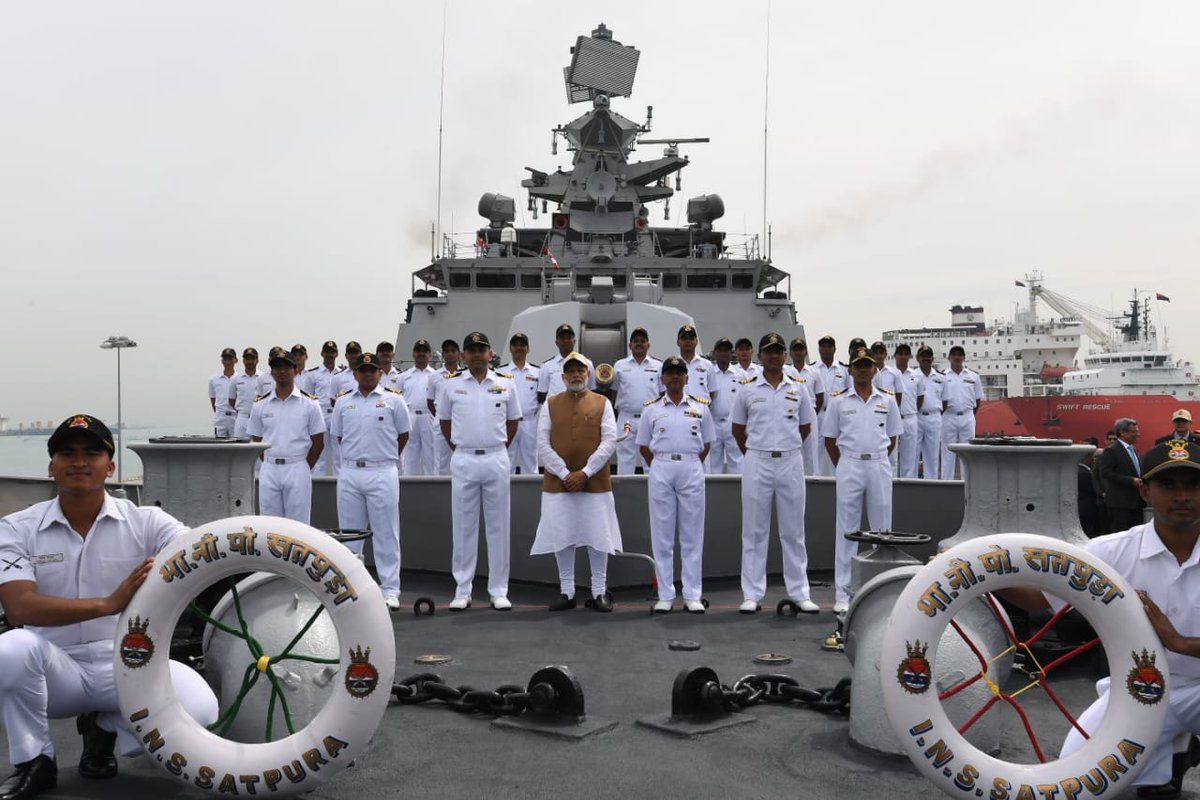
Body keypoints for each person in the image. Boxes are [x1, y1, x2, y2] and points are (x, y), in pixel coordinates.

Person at [0, 415, 218, 800]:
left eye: (92, 453)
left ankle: (103, 724)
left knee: (201, 709)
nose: (79, 462)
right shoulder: (18, 528)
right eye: (67, 453)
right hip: (54, 672)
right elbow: (18, 607)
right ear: (51, 466)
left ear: (111, 465)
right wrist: (107, 604)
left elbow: (199, 551)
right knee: (12, 648)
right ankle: (35, 761)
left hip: (127, 662)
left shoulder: (146, 522)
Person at [1005, 439, 1200, 796]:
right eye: (1168, 485)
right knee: (1073, 780)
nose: (1182, 495)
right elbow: (1044, 599)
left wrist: (1181, 643)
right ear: (1144, 490)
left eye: (1193, 485)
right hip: (1137, 689)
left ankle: (1175, 748)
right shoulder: (1108, 552)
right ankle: (1172, 755)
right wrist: (972, 575)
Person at [731, 332, 819, 614]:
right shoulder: (746, 388)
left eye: (777, 351)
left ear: (785, 355)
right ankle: (752, 594)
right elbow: (737, 429)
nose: (773, 355)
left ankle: (799, 592)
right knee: (754, 531)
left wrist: (783, 448)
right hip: (757, 460)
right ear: (760, 355)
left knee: (793, 531)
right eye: (768, 351)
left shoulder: (799, 389)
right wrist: (757, 452)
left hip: (790, 461)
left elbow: (806, 427)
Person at [531, 352, 622, 612]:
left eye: (580, 370)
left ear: (588, 374)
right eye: (570, 371)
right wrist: (564, 473)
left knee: (598, 536)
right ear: (562, 376)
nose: (575, 375)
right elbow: (542, 443)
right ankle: (567, 591)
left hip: (595, 482)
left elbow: (609, 441)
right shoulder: (550, 404)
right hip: (558, 483)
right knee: (563, 536)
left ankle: (599, 590)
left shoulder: (602, 403)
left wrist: (585, 472)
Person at [437, 332, 522, 611]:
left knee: (499, 526)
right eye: (471, 350)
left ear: (490, 353)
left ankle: (499, 589)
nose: (476, 354)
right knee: (463, 526)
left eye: (481, 349)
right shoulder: (450, 386)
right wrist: (464, 447)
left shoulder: (505, 384)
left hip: (496, 457)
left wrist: (495, 446)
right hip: (464, 458)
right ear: (463, 355)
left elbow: (513, 423)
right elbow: (445, 423)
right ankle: (463, 589)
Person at [823, 347, 902, 613]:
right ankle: (843, 594)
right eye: (858, 365)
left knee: (882, 530)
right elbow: (830, 440)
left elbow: (892, 438)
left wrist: (875, 457)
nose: (863, 370)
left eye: (867, 365)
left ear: (874, 369)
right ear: (850, 370)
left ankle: (880, 591)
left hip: (879, 463)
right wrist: (846, 463)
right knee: (847, 531)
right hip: (850, 464)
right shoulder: (838, 402)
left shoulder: (887, 401)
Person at [331, 351, 410, 611]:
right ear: (355, 373)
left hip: (382, 471)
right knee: (350, 535)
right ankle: (353, 589)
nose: (367, 374)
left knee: (386, 533)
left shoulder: (393, 401)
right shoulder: (343, 403)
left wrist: (382, 457)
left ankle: (390, 589)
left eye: (372, 370)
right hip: (351, 472)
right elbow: (340, 437)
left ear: (379, 373)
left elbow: (403, 435)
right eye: (362, 370)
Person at [638, 356, 714, 613]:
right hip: (661, 466)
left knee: (692, 534)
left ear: (687, 377)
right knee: (662, 535)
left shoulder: (701, 407)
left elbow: (707, 444)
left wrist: (690, 463)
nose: (674, 377)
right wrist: (661, 464)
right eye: (669, 373)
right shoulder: (651, 408)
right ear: (662, 378)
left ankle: (692, 594)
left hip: (691, 467)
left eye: (679, 373)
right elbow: (643, 445)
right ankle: (666, 594)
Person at [249, 347, 325, 523]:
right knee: (269, 525)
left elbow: (318, 442)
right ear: (272, 372)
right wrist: (269, 461)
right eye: (277, 367)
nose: (282, 371)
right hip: (269, 469)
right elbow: (257, 441)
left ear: (296, 370)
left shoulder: (310, 404)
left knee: (299, 526)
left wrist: (303, 466)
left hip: (298, 466)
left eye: (287, 367)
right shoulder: (260, 405)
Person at [609, 327, 663, 474]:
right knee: (625, 460)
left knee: (651, 460)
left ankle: (654, 494)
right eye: (636, 341)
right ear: (630, 345)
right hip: (626, 417)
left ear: (648, 345)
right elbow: (615, 391)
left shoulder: (658, 366)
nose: (639, 344)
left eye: (642, 341)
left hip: (650, 417)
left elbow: (662, 393)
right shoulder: (620, 365)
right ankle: (626, 496)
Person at [499, 333, 541, 475]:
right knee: (506, 462)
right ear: (510, 348)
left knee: (530, 462)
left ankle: (530, 495)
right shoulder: (500, 372)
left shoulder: (537, 372)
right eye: (515, 345)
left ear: (528, 349)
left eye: (522, 345)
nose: (519, 348)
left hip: (529, 422)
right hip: (506, 422)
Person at [784, 338, 826, 477]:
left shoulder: (814, 372)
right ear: (790, 353)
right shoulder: (785, 371)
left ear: (805, 352)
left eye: (800, 349)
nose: (798, 352)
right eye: (795, 349)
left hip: (810, 414)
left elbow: (820, 396)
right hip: (791, 414)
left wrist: (811, 412)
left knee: (812, 451)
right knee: (792, 449)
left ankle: (814, 478)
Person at [939, 344, 982, 479]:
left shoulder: (973, 376)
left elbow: (978, 400)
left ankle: (967, 484)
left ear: (963, 358)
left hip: (967, 416)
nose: (957, 357)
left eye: (959, 355)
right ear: (949, 357)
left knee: (968, 453)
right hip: (948, 417)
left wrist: (969, 415)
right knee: (947, 454)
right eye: (954, 355)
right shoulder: (943, 376)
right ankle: (946, 485)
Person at [396, 339, 437, 475]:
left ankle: (432, 488)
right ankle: (409, 486)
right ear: (413, 354)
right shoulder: (403, 376)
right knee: (409, 457)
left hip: (428, 416)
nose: (421, 354)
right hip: (410, 416)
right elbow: (397, 400)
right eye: (418, 351)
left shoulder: (435, 376)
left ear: (429, 354)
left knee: (431, 456)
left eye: (424, 351)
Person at [813, 335, 850, 477]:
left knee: (837, 447)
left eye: (829, 346)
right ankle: (819, 479)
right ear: (819, 349)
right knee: (818, 451)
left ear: (835, 349)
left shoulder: (843, 369)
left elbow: (848, 392)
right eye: (823, 346)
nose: (826, 349)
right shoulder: (813, 369)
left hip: (837, 415)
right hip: (819, 414)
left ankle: (838, 478)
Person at [1101, 417, 1146, 533]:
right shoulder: (1111, 450)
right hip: (1120, 504)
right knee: (1120, 535)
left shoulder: (1134, 450)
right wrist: (1130, 481)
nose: (1137, 434)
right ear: (1122, 432)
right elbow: (1106, 473)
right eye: (1134, 432)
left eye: (1137, 431)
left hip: (1136, 502)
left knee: (1136, 535)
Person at [708, 337, 744, 474]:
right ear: (715, 353)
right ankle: (714, 493)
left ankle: (736, 493)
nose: (723, 353)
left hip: (733, 422)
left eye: (726, 350)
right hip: (714, 422)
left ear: (731, 353)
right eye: (720, 350)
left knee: (737, 463)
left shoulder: (741, 375)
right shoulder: (709, 373)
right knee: (713, 463)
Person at [426, 338, 462, 475]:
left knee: (460, 459)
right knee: (441, 460)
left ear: (459, 354)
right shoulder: (434, 376)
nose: (450, 354)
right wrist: (442, 416)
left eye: (453, 351)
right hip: (440, 421)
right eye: (447, 351)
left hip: (460, 421)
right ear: (443, 354)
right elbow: (430, 402)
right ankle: (440, 492)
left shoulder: (464, 374)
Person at [309, 340, 343, 475]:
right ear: (322, 353)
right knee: (319, 452)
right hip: (321, 413)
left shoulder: (342, 374)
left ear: (337, 354)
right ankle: (318, 483)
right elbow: (309, 396)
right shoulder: (313, 374)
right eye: (327, 352)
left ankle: (339, 484)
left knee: (339, 452)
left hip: (336, 413)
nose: (330, 355)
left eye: (332, 352)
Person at [892, 343, 926, 478]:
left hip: (910, 418)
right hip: (893, 419)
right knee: (891, 457)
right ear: (895, 355)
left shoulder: (917, 375)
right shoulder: (889, 373)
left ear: (910, 356)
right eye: (900, 353)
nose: (903, 356)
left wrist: (910, 411)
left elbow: (920, 398)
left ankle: (907, 486)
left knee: (910, 458)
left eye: (906, 353)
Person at [537, 323, 594, 402]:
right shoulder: (546, 366)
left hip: (580, 408)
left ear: (574, 341)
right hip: (556, 410)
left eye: (569, 338)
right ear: (556, 343)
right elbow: (542, 395)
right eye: (562, 338)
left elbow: (591, 389)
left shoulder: (587, 363)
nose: (566, 341)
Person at [914, 345, 944, 479]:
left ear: (932, 358)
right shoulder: (912, 376)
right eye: (923, 356)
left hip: (934, 417)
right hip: (917, 417)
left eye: (928, 356)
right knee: (913, 454)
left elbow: (946, 401)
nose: (926, 358)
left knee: (932, 455)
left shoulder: (940, 377)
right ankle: (912, 484)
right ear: (917, 358)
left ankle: (931, 483)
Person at [228, 347, 273, 437]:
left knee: (259, 446)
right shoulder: (236, 378)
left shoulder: (263, 377)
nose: (250, 361)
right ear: (243, 360)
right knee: (240, 447)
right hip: (242, 418)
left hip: (259, 418)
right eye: (247, 359)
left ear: (257, 360)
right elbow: (232, 400)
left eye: (252, 359)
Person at [676, 324, 715, 402]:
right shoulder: (672, 365)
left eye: (691, 338)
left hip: (702, 411)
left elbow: (712, 392)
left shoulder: (707, 365)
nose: (688, 341)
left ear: (696, 341)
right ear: (678, 342)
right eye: (684, 338)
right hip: (678, 411)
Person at [209, 347, 238, 437]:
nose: (228, 362)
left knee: (236, 445)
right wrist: (220, 413)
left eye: (230, 359)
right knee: (219, 447)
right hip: (220, 418)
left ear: (236, 360)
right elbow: (213, 400)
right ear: (222, 361)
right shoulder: (214, 379)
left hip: (235, 416)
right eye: (225, 359)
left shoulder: (239, 378)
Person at [1078, 437, 1100, 537]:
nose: (1093, 460)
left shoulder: (1082, 470)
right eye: (1092, 457)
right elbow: (1091, 489)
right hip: (1087, 507)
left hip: (1084, 507)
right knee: (1090, 532)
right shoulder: (1084, 473)